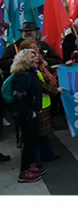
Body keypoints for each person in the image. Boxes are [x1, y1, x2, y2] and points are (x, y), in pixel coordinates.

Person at [8, 49, 45, 184]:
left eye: (36, 56)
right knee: (29, 143)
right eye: (32, 57)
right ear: (24, 60)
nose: (36, 59)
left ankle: (31, 165)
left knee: (33, 141)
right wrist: (30, 113)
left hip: (31, 114)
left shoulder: (31, 73)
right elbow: (18, 98)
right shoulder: (23, 76)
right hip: (26, 116)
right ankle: (24, 172)